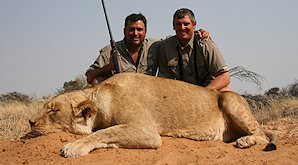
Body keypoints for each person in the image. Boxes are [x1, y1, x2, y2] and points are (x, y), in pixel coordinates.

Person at [86, 13, 210, 85]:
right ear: (124, 31)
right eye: (131, 29)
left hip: (146, 97)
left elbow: (179, 36)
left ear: (145, 32)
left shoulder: (156, 45)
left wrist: (198, 33)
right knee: (97, 81)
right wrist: (109, 68)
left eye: (139, 29)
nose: (135, 33)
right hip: (119, 97)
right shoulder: (110, 50)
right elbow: (90, 77)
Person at [152, 8, 232, 91]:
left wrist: (204, 93)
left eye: (186, 24)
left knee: (230, 97)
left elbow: (225, 76)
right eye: (178, 24)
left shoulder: (204, 43)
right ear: (173, 26)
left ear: (194, 25)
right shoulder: (165, 46)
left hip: (209, 90)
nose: (182, 28)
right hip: (183, 92)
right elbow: (165, 80)